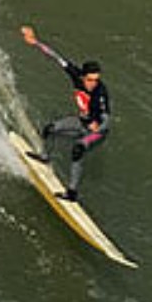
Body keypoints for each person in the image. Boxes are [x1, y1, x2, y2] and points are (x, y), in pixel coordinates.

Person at [19, 24, 110, 203]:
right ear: (83, 76)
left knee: (77, 149)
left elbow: (107, 120)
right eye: (90, 79)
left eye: (96, 80)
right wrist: (35, 41)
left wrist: (97, 128)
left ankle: (72, 193)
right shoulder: (76, 75)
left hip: (97, 132)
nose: (93, 83)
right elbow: (56, 57)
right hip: (81, 123)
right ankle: (45, 157)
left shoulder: (100, 93)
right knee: (50, 129)